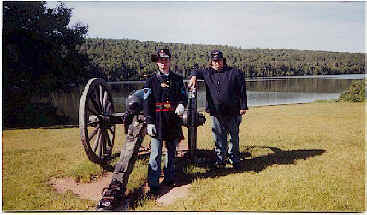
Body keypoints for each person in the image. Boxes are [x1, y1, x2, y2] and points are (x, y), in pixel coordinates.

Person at [189, 50, 248, 169]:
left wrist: (243, 106)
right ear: (211, 62)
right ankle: (220, 160)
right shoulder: (207, 72)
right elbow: (195, 70)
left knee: (233, 136)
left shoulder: (234, 72)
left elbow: (242, 90)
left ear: (223, 60)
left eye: (219, 61)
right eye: (214, 61)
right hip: (216, 112)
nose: (217, 63)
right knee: (218, 137)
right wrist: (194, 76)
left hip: (233, 111)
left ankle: (234, 159)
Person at [144, 48, 187, 193]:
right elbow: (147, 104)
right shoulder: (150, 81)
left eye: (166, 60)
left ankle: (169, 177)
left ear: (170, 60)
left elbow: (183, 96)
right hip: (158, 121)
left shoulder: (178, 79)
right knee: (155, 153)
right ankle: (153, 183)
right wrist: (149, 122)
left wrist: (182, 104)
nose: (163, 63)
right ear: (157, 62)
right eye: (160, 60)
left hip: (173, 120)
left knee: (171, 151)